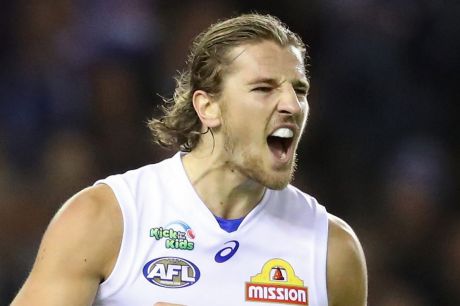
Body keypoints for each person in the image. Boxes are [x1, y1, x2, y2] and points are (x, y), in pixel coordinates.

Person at [11, 13, 367, 306]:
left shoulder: (332, 250)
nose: (291, 105)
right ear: (208, 107)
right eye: (264, 88)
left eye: (299, 89)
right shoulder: (107, 217)